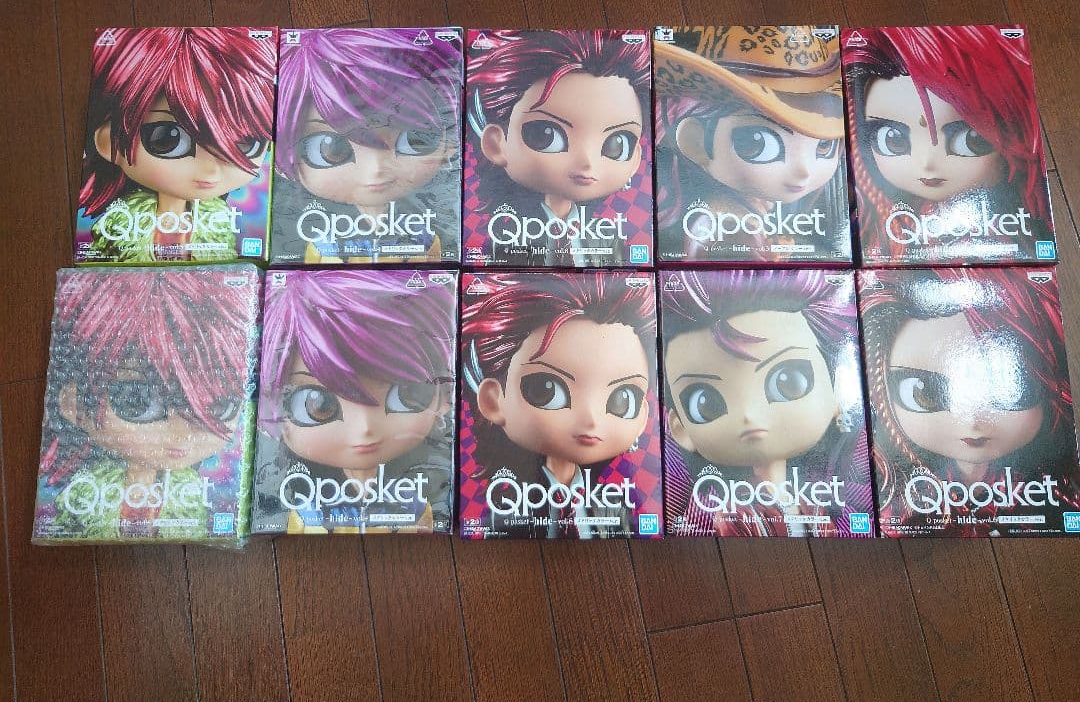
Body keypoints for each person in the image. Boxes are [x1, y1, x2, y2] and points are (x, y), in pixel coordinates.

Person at [36, 267, 257, 541]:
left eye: (217, 405)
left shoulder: (192, 489)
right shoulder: (85, 487)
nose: (181, 435)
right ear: (70, 400)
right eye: (136, 401)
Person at [860, 268, 1080, 535]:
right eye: (924, 393)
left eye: (1008, 388)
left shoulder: (1052, 491)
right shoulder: (892, 492)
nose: (971, 419)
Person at [661, 269, 871, 537]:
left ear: (839, 391)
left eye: (789, 382)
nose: (749, 414)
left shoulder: (829, 506)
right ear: (679, 428)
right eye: (706, 404)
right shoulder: (709, 514)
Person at [256, 271, 456, 533]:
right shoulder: (284, 493)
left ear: (445, 394)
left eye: (406, 393)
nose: (365, 428)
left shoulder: (436, 482)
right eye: (319, 406)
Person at [460, 273, 657, 537]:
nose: (591, 420)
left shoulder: (613, 505)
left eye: (623, 400)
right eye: (545, 390)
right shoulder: (503, 502)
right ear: (493, 400)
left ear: (643, 414)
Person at [844, 25, 1052, 261]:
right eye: (893, 140)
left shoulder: (1018, 233)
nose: (927, 163)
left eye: (971, 140)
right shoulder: (874, 226)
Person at [79, 27, 275, 262]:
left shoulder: (218, 223)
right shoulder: (123, 222)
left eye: (244, 142)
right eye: (167, 139)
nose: (211, 170)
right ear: (108, 141)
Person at [654, 25, 847, 261]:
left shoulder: (753, 210)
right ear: (695, 142)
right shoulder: (728, 227)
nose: (804, 171)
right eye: (758, 143)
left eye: (824, 146)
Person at [273, 28, 462, 263]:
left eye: (414, 139)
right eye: (332, 151)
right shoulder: (307, 231)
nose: (376, 169)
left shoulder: (434, 223)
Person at [467, 30, 651, 267]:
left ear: (635, 158)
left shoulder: (607, 237)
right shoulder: (502, 233)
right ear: (495, 144)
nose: (587, 162)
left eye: (617, 145)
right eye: (546, 135)